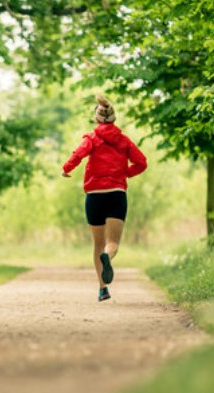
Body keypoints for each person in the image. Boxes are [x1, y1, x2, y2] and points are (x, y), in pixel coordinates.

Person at [61, 95, 147, 301]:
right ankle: (108, 257)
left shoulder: (90, 138)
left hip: (95, 196)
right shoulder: (124, 141)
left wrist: (66, 169)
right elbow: (142, 163)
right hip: (117, 194)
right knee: (112, 243)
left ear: (97, 119)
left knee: (97, 245)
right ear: (114, 119)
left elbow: (78, 155)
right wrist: (125, 173)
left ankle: (102, 289)